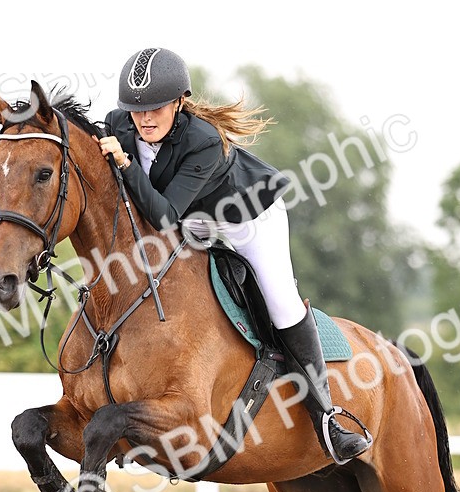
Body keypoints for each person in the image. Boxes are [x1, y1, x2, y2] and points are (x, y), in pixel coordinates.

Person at [97, 46, 371, 464]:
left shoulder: (203, 141)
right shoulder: (119, 125)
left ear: (179, 103)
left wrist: (126, 163)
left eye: (155, 109)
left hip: (248, 218)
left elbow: (165, 216)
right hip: (193, 221)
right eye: (136, 112)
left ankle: (327, 417)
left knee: (280, 303)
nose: (145, 120)